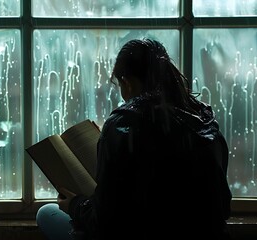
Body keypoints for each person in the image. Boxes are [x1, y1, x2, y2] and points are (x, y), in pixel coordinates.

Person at [36, 38, 232, 239]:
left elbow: (105, 221)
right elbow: (223, 206)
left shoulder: (123, 123)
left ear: (127, 83)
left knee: (47, 213)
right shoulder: (203, 118)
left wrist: (75, 205)